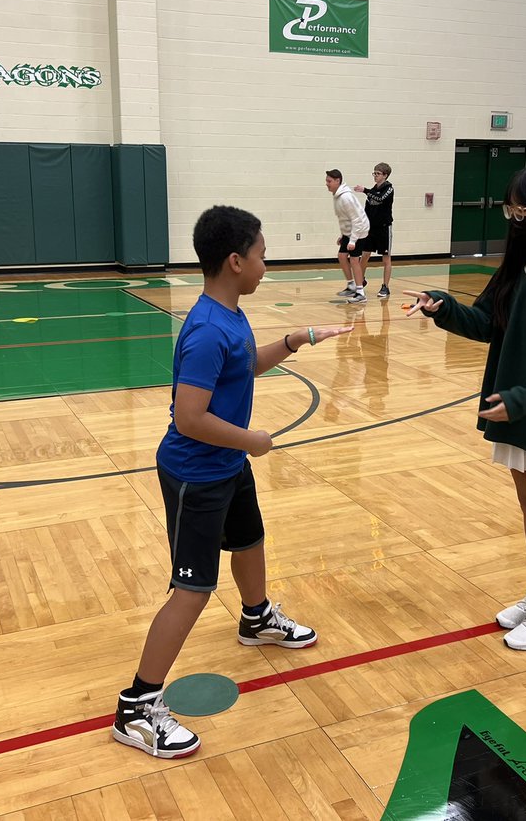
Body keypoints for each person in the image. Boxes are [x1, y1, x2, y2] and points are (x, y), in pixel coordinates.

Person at [112, 205, 352, 758]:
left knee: (249, 539)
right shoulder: (204, 330)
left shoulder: (231, 315)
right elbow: (189, 416)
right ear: (236, 260)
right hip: (198, 471)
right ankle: (138, 706)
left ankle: (256, 617)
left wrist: (295, 339)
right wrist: (252, 439)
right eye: (263, 254)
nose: (267, 263)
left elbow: (241, 368)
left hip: (224, 463)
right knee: (193, 589)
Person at [403, 162, 526, 651]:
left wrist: (523, 399)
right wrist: (443, 307)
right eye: (511, 210)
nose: (515, 219)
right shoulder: (519, 266)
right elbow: (487, 323)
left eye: (524, 210)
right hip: (515, 412)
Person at [327, 169, 370, 305]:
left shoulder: (346, 197)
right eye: (326, 181)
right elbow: (344, 219)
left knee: (354, 260)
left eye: (329, 181)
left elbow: (357, 219)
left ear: (337, 181)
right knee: (341, 256)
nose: (327, 184)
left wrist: (352, 240)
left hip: (359, 231)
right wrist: (343, 236)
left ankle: (360, 292)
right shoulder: (337, 196)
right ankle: (351, 285)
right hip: (350, 231)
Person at [353, 162, 395, 299]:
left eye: (378, 174)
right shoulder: (372, 191)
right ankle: (360, 282)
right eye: (374, 173)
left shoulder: (389, 189)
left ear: (385, 175)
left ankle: (385, 286)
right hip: (370, 229)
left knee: (386, 258)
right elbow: (367, 209)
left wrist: (365, 190)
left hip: (384, 228)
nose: (375, 176)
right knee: (364, 255)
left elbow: (380, 198)